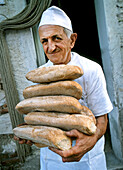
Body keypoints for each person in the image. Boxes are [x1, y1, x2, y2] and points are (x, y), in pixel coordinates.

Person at [14, 6, 113, 170]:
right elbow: (42, 118)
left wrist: (90, 141)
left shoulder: (90, 70)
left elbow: (102, 119)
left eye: (56, 38)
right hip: (51, 159)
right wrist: (31, 134)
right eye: (44, 41)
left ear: (72, 40)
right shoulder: (39, 75)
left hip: (86, 160)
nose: (50, 47)